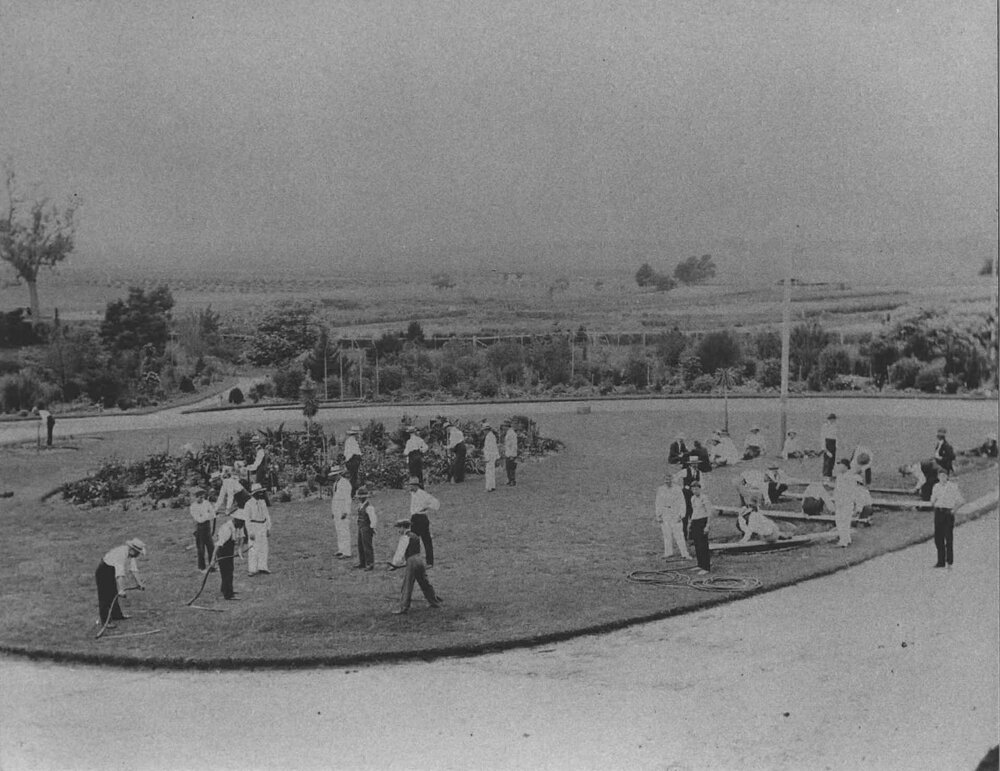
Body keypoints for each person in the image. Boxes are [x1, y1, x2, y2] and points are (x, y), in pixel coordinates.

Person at [391, 519, 443, 614]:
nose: (398, 530)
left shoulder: (404, 537)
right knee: (424, 582)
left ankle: (403, 608)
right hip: (419, 559)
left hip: (411, 561)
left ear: (403, 527)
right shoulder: (415, 536)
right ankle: (434, 602)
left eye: (399, 528)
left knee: (407, 584)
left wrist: (395, 564)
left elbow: (400, 553)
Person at [95, 538, 146, 628]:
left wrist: (140, 583)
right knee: (105, 596)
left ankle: (117, 615)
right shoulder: (121, 554)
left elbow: (134, 570)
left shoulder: (131, 555)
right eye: (138, 552)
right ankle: (106, 621)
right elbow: (119, 575)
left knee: (113, 592)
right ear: (133, 550)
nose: (138, 555)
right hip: (104, 570)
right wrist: (121, 590)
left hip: (111, 570)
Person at [929, 469, 964, 568]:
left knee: (948, 537)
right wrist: (933, 503)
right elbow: (932, 499)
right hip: (939, 512)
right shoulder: (936, 487)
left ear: (947, 476)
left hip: (948, 513)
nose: (942, 478)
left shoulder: (952, 487)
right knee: (938, 538)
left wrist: (954, 510)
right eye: (940, 476)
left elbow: (961, 501)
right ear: (938, 477)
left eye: (944, 476)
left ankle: (949, 561)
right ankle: (941, 561)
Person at [654, 471, 690, 560]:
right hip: (665, 513)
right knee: (667, 534)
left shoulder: (677, 489)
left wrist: (681, 515)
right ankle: (668, 552)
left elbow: (682, 502)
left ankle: (684, 553)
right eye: (666, 479)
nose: (667, 481)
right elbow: (658, 502)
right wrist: (658, 515)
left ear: (672, 480)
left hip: (675, 513)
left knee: (679, 535)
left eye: (669, 479)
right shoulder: (661, 489)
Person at [408, 476, 439, 566]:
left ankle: (429, 562)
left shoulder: (423, 494)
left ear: (416, 486)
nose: (410, 487)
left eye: (411, 485)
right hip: (414, 519)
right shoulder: (413, 494)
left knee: (426, 540)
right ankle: (412, 561)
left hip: (421, 518)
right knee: (413, 540)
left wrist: (426, 507)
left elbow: (436, 503)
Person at [213, 514, 243, 600]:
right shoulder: (227, 529)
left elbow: (241, 537)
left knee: (229, 570)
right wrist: (213, 560)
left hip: (229, 551)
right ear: (236, 520)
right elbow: (218, 545)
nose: (242, 525)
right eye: (241, 522)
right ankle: (228, 594)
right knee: (226, 572)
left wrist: (239, 550)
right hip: (222, 552)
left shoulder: (236, 526)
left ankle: (225, 589)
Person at [244, 483, 271, 575]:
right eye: (258, 493)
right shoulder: (248, 504)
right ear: (254, 494)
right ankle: (252, 569)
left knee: (263, 547)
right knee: (253, 548)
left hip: (262, 525)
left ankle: (263, 566)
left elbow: (267, 516)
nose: (260, 494)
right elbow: (247, 519)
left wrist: (268, 527)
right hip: (254, 526)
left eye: (261, 492)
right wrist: (250, 532)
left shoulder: (262, 502)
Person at [688, 481, 714, 574]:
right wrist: (691, 523)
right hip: (695, 522)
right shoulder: (692, 498)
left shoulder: (704, 498)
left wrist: (707, 526)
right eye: (693, 489)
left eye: (696, 489)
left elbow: (709, 513)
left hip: (702, 521)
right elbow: (694, 511)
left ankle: (706, 567)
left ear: (700, 488)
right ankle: (700, 564)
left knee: (703, 544)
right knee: (697, 544)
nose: (695, 491)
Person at [833, 459, 860, 547]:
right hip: (839, 502)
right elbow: (837, 490)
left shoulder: (850, 477)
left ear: (845, 466)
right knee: (839, 521)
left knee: (844, 521)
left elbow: (852, 491)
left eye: (840, 465)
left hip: (846, 502)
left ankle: (843, 541)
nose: (839, 467)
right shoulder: (839, 476)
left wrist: (855, 503)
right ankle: (847, 539)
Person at [189, 487, 216, 571]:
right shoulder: (193, 507)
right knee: (201, 549)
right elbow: (199, 519)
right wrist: (207, 515)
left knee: (211, 547)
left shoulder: (206, 503)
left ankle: (212, 567)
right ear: (195, 497)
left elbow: (213, 514)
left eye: (202, 497)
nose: (201, 499)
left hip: (207, 527)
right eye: (199, 497)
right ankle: (202, 567)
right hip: (199, 528)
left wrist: (205, 515)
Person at [329, 465, 353, 560]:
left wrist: (346, 511)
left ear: (339, 474)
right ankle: (341, 549)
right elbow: (335, 499)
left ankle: (347, 552)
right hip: (337, 509)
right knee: (339, 530)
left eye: (335, 475)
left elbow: (348, 499)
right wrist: (333, 511)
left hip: (343, 509)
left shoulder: (345, 483)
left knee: (344, 530)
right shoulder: (336, 483)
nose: (333, 477)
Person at [680, 454, 703, 540]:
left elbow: (702, 484)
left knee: (695, 515)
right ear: (690, 464)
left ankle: (693, 535)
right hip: (686, 496)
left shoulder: (699, 473)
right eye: (693, 463)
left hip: (694, 496)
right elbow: (676, 478)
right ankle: (684, 535)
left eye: (696, 463)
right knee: (685, 516)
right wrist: (683, 487)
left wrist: (699, 492)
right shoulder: (685, 471)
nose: (695, 465)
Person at [354, 487, 377, 571]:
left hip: (367, 527)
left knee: (367, 546)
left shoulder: (369, 507)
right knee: (360, 545)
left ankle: (370, 563)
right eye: (359, 497)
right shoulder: (361, 506)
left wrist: (372, 528)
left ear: (365, 497)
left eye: (361, 497)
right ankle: (362, 562)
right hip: (361, 526)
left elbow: (373, 519)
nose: (359, 498)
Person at [343, 426, 363, 497]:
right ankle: (351, 494)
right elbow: (355, 453)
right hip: (352, 460)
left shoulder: (351, 440)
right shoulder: (352, 441)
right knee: (353, 478)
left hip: (351, 460)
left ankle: (352, 493)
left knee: (353, 477)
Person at [481, 421, 500, 492]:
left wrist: (486, 457)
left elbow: (489, 448)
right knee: (491, 472)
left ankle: (489, 487)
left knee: (489, 472)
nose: (483, 432)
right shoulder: (491, 436)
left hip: (489, 457)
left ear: (486, 430)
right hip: (492, 456)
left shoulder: (489, 437)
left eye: (484, 430)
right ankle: (492, 486)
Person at [820, 413, 838, 479]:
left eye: (834, 419)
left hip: (833, 443)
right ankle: (825, 475)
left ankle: (829, 475)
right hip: (827, 443)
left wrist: (836, 445)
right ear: (829, 419)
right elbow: (822, 437)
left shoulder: (834, 426)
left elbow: (836, 437)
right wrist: (824, 448)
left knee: (832, 460)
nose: (833, 421)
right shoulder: (825, 426)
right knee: (827, 460)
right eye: (832, 419)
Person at [503, 422, 518, 486]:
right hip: (508, 453)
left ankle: (513, 481)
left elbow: (514, 445)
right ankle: (509, 480)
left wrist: (512, 455)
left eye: (504, 426)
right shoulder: (508, 433)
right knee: (508, 467)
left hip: (512, 454)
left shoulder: (512, 433)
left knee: (512, 468)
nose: (503, 428)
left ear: (507, 426)